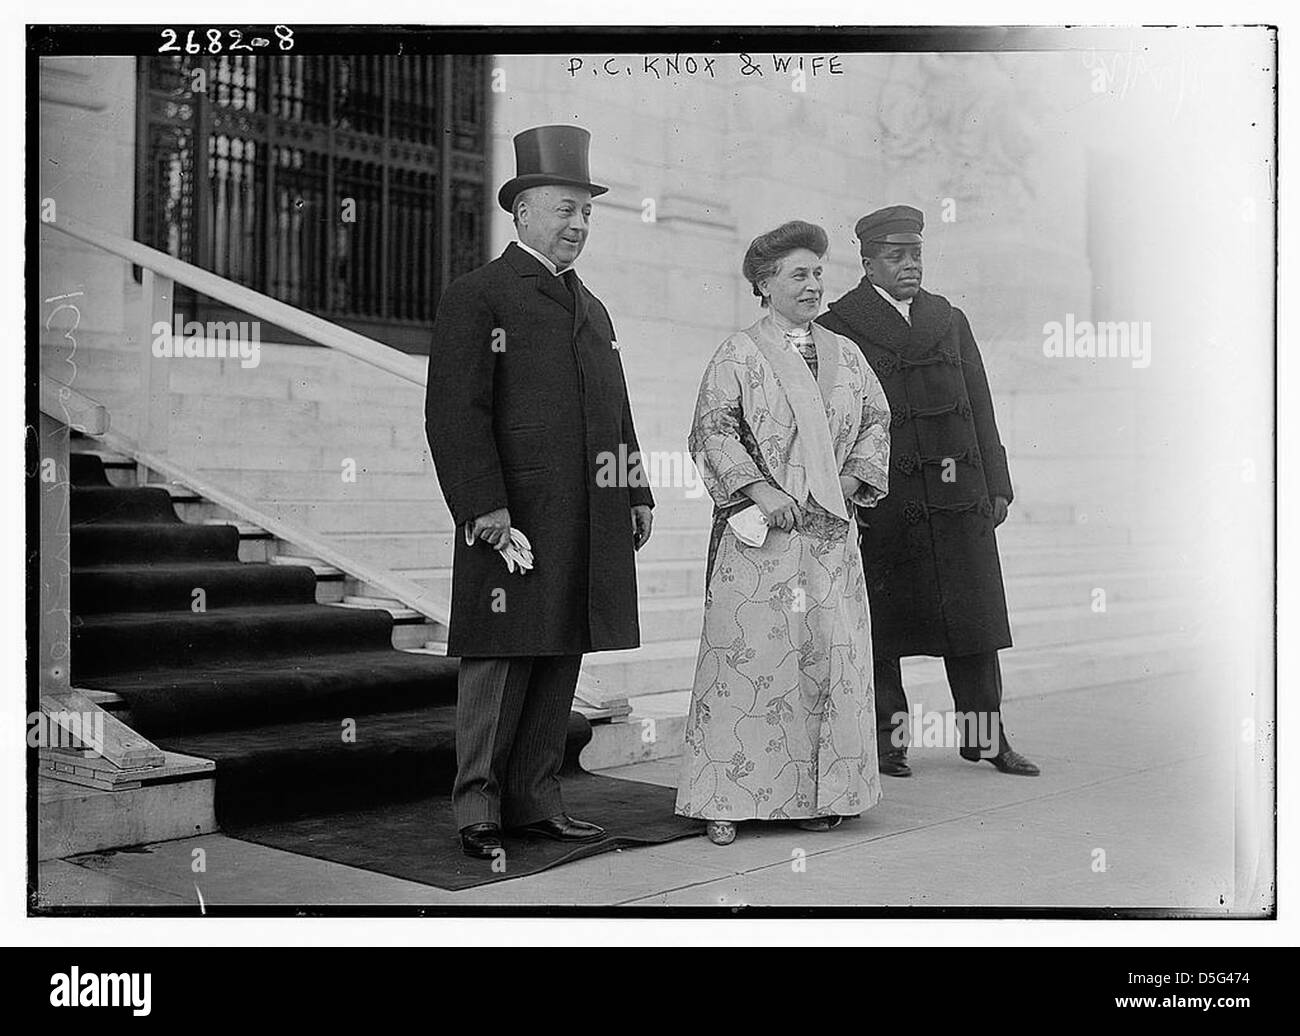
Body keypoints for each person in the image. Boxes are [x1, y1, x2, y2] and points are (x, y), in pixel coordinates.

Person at [425, 125, 656, 859]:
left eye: (586, 212)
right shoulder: (480, 295)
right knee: (500, 656)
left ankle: (534, 800)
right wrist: (483, 505)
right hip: (514, 515)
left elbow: (615, 410)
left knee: (560, 649)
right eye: (565, 209)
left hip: (587, 511)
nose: (578, 225)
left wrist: (636, 491)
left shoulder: (595, 309)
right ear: (522, 211)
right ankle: (478, 810)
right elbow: (456, 411)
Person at [675, 220, 891, 845]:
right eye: (799, 274)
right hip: (761, 537)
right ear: (764, 286)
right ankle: (726, 799)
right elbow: (711, 430)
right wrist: (761, 490)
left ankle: (817, 796)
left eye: (818, 273)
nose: (813, 285)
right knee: (753, 666)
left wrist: (850, 485)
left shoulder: (847, 354)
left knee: (828, 660)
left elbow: (877, 421)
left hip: (828, 535)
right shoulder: (738, 353)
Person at [817, 204, 1039, 778]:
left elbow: (981, 403)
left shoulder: (948, 318)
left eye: (914, 253)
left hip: (959, 496)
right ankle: (888, 745)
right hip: (887, 501)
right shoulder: (840, 326)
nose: (909, 265)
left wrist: (997, 482)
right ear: (867, 262)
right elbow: (835, 419)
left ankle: (986, 739)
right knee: (884, 627)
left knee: (974, 623)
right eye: (895, 256)